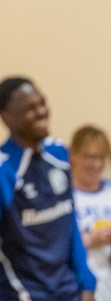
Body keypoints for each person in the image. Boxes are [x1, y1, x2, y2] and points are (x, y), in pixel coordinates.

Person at [0, 77, 96, 301]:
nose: (41, 112)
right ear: (6, 117)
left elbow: (69, 223)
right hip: (23, 293)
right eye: (30, 108)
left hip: (69, 291)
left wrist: (86, 282)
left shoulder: (60, 155)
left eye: (42, 103)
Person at [71, 125, 111, 301]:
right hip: (80, 287)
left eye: (101, 158)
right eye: (90, 157)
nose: (96, 164)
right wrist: (89, 240)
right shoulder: (65, 197)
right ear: (74, 156)